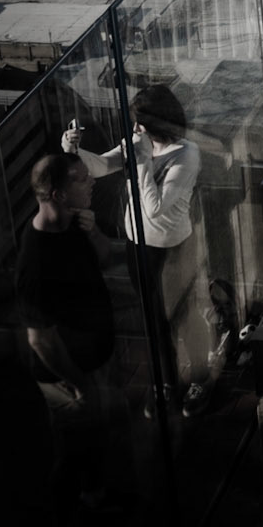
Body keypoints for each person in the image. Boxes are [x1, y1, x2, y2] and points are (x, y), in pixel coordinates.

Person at [63, 83, 200, 400]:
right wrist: (73, 150)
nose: (135, 129)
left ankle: (200, 377)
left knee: (183, 315)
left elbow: (154, 207)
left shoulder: (186, 155)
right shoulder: (139, 144)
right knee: (153, 319)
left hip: (172, 249)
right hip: (138, 244)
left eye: (140, 123)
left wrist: (141, 160)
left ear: (156, 123)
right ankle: (168, 382)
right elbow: (101, 167)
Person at [16, 152, 122, 527]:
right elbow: (40, 340)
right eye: (81, 179)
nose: (92, 182)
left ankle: (94, 497)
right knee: (71, 452)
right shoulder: (35, 261)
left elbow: (105, 258)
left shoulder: (75, 223)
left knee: (95, 436)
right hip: (65, 376)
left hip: (94, 357)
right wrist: (79, 385)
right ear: (59, 194)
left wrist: (93, 232)